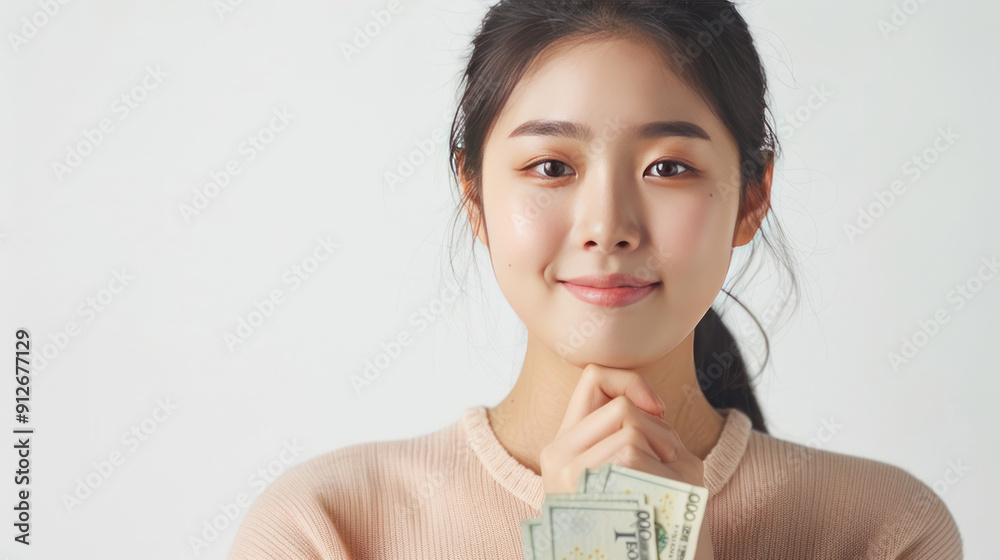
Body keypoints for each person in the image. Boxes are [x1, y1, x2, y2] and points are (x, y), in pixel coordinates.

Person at [228, 1, 963, 558]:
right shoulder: (324, 527)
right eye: (551, 167)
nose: (607, 225)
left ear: (752, 196)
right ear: (475, 195)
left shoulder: (883, 529)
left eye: (669, 168)